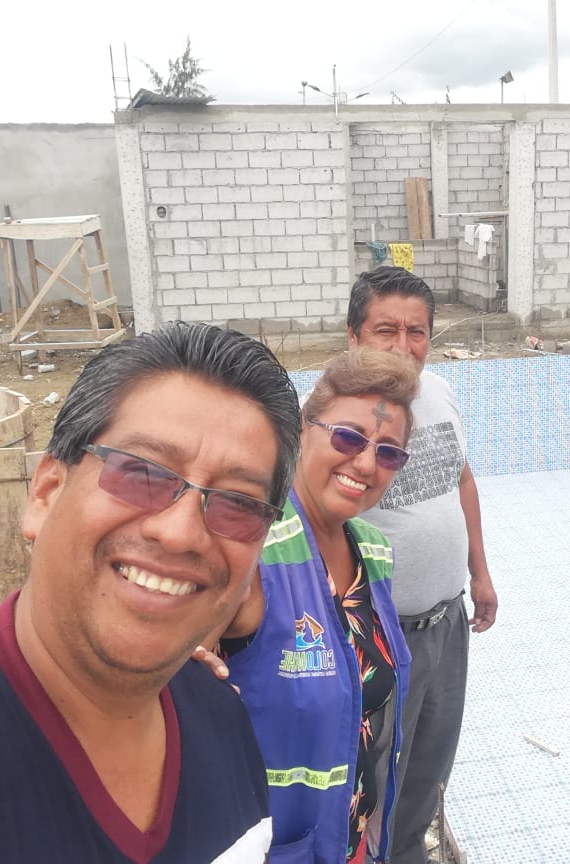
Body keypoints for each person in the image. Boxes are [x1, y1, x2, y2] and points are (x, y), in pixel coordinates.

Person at [0, 322, 301, 863]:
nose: (179, 532)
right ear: (46, 492)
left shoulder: (223, 720)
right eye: (141, 473)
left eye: (238, 504)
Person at [219, 348, 419, 864]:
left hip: (351, 839)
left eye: (389, 452)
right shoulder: (251, 552)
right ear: (303, 430)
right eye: (348, 437)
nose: (366, 463)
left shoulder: (373, 553)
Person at [345, 266, 499, 864]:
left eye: (417, 331)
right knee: (374, 769)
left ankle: (409, 851)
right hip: (380, 634)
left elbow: (462, 479)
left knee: (432, 760)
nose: (404, 346)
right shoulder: (332, 415)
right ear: (354, 336)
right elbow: (310, 521)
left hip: (447, 621)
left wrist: (479, 573)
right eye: (386, 330)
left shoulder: (438, 391)